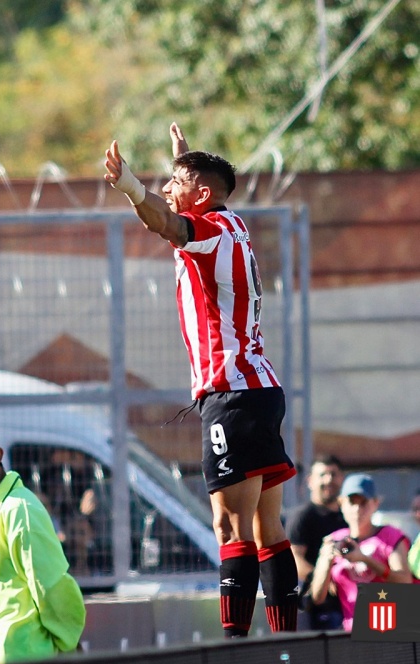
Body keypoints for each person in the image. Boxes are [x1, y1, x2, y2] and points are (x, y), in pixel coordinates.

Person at [104, 124, 298, 637]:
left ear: (203, 194)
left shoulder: (209, 230)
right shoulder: (230, 225)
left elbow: (166, 222)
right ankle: (287, 646)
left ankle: (235, 646)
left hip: (231, 394)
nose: (168, 186)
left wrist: (129, 187)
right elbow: (186, 203)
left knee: (230, 527)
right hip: (257, 388)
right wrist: (184, 160)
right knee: (266, 525)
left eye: (176, 179)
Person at [0, 423, 85, 664]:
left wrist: (68, 640)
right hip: (3, 658)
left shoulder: (18, 508)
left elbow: (50, 583)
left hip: (27, 658)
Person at [309, 473, 413, 631]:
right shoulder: (335, 540)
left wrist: (366, 559)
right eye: (351, 502)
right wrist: (326, 560)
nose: (357, 509)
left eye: (363, 502)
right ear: (341, 503)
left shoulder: (390, 536)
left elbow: (405, 583)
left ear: (375, 503)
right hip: (353, 631)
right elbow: (317, 597)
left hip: (391, 628)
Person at [285, 455, 347, 629]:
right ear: (310, 481)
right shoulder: (303, 517)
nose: (329, 480)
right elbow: (295, 561)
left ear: (342, 478)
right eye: (322, 475)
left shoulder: (349, 515)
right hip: (318, 607)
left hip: (350, 603)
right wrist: (325, 579)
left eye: (334, 474)